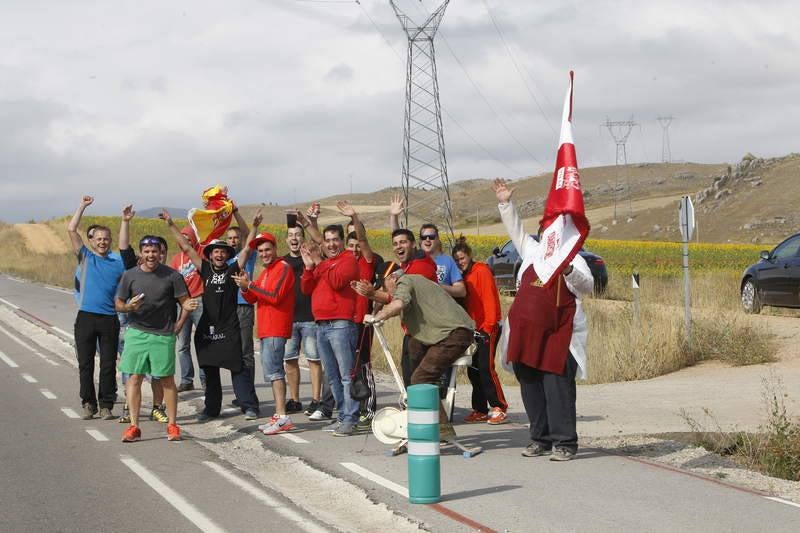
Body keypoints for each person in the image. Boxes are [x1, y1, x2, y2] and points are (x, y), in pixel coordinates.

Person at [492, 178, 593, 461]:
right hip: (526, 336)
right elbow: (516, 232)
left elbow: (587, 285)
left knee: (557, 388)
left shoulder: (573, 257)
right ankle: (540, 438)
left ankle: (565, 443)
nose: (547, 233)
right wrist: (505, 203)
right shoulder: (532, 252)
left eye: (553, 229)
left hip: (558, 337)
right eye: (544, 229)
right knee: (531, 388)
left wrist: (569, 269)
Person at [163, 209, 261, 421]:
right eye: (215, 251)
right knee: (210, 369)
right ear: (210, 254)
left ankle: (249, 405)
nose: (219, 254)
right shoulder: (204, 269)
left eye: (222, 252)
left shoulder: (233, 269)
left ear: (227, 254)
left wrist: (254, 227)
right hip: (207, 327)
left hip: (229, 327)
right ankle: (211, 409)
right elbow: (187, 247)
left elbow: (246, 249)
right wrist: (171, 224)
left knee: (237, 366)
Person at [364, 269, 475, 440]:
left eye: (386, 287)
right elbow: (394, 301)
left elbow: (398, 303)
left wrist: (380, 316)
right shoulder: (416, 282)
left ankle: (442, 429)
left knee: (420, 378)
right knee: (413, 347)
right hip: (445, 333)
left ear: (392, 278)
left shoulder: (405, 281)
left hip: (455, 334)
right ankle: (418, 409)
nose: (388, 293)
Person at [115, 235, 197, 442]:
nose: (151, 255)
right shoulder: (130, 275)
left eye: (155, 251)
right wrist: (127, 307)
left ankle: (172, 425)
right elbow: (118, 303)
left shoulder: (173, 276)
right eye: (147, 251)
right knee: (134, 378)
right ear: (141, 254)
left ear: (160, 253)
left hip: (163, 335)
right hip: (136, 332)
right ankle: (134, 426)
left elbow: (185, 302)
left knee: (167, 380)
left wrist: (179, 323)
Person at [67, 196, 136, 420]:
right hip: (86, 317)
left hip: (109, 318)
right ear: (92, 241)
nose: (102, 242)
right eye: (98, 239)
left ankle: (106, 404)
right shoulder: (85, 257)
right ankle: (88, 403)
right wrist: (82, 206)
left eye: (106, 239)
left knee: (108, 364)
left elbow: (125, 247)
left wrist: (125, 221)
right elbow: (71, 229)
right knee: (85, 364)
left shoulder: (117, 261)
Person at [300, 224, 360, 437]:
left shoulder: (348, 260)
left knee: (346, 376)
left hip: (341, 324)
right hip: (321, 325)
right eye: (327, 240)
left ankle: (351, 418)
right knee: (333, 377)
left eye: (335, 239)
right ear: (323, 243)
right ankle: (343, 416)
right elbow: (306, 289)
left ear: (342, 241)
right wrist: (308, 267)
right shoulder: (322, 264)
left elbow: (336, 282)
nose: (331, 244)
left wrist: (318, 262)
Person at [233, 231, 296, 434]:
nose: (264, 254)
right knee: (271, 373)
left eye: (267, 249)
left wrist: (249, 285)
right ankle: (279, 415)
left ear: (275, 249)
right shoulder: (266, 271)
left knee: (276, 372)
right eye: (260, 251)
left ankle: (283, 416)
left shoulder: (283, 268)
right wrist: (245, 287)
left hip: (277, 327)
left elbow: (275, 297)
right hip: (266, 328)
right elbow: (253, 298)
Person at [451, 236, 508, 425]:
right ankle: (480, 409)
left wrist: (489, 327)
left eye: (462, 258)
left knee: (486, 368)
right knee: (474, 370)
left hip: (487, 327)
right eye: (457, 260)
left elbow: (490, 300)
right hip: (473, 329)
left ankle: (499, 406)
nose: (460, 262)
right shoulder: (462, 277)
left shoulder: (481, 271)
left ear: (469, 255)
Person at [337, 200, 381, 432]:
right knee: (347, 370)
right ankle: (349, 408)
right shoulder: (342, 262)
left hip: (362, 323)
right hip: (343, 323)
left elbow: (363, 240)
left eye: (357, 245)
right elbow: (319, 243)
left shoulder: (366, 262)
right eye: (350, 245)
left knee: (364, 367)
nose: (354, 249)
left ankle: (369, 409)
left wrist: (355, 217)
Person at [282, 221, 324, 418]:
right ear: (286, 239)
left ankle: (316, 400)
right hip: (289, 318)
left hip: (310, 317)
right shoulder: (281, 263)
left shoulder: (313, 260)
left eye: (298, 234)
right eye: (291, 235)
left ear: (302, 238)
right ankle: (295, 400)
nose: (294, 238)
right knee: (289, 360)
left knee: (313, 359)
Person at [225, 222, 259, 407]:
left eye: (236, 238)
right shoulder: (225, 258)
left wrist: (239, 215)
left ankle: (249, 394)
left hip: (244, 306)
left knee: (246, 352)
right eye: (229, 238)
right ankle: (240, 393)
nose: (232, 241)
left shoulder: (248, 255)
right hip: (229, 309)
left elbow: (250, 238)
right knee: (233, 353)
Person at [170, 225, 206, 392]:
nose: (184, 240)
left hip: (199, 300)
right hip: (182, 303)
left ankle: (206, 379)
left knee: (203, 342)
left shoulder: (200, 252)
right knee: (183, 344)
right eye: (182, 237)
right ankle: (186, 380)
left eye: (188, 237)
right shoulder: (176, 259)